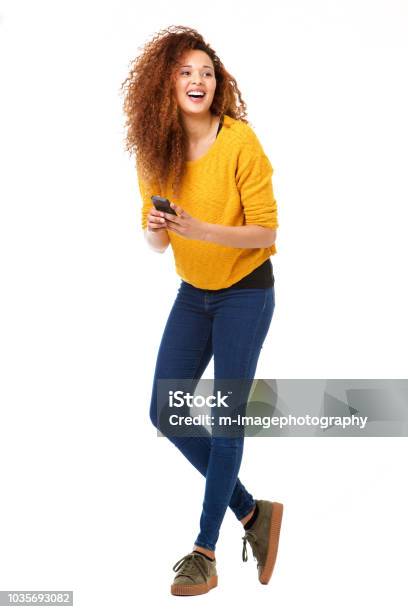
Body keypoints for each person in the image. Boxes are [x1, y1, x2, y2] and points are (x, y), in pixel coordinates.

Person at [121, 25, 283, 596]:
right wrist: (156, 228)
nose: (198, 80)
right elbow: (160, 245)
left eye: (207, 72)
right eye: (186, 72)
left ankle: (204, 552)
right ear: (165, 84)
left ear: (219, 84)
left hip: (246, 290)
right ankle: (252, 511)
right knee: (166, 410)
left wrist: (200, 228)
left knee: (227, 419)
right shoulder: (155, 149)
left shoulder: (240, 141)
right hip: (193, 292)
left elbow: (266, 229)